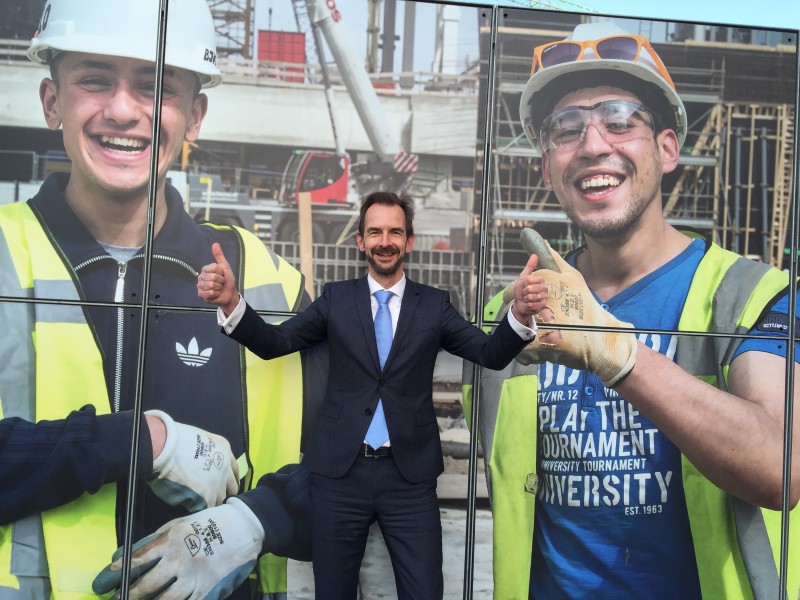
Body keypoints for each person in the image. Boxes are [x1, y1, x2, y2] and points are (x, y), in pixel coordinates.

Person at [462, 21, 800, 599]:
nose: (594, 145)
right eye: (566, 129)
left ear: (667, 149)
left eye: (620, 121)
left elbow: (781, 468)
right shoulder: (511, 314)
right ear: (547, 167)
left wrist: (617, 354)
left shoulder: (749, 296)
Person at [0, 0, 315, 598]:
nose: (123, 110)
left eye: (156, 87)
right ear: (51, 100)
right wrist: (140, 441)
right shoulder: (2, 256)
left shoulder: (269, 284)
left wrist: (257, 520)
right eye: (95, 79)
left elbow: (364, 466)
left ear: (194, 116)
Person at [186, 190, 544, 599]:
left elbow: (489, 353)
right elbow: (275, 342)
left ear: (409, 241)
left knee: (425, 592)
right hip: (339, 475)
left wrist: (519, 314)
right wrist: (232, 302)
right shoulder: (337, 299)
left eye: (395, 232)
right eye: (375, 232)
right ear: (360, 240)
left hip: (409, 478)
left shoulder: (434, 305)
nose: (384, 241)